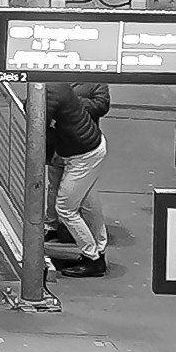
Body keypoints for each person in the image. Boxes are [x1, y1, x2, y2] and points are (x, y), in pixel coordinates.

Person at [42, 75, 116, 271]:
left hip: (82, 155)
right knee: (89, 203)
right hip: (89, 148)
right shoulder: (59, 85)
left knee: (65, 208)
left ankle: (91, 257)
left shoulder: (51, 90)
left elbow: (39, 124)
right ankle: (99, 249)